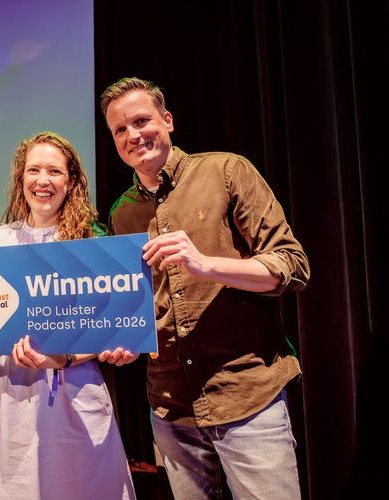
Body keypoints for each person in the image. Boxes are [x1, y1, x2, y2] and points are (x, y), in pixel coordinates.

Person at [100, 77, 310, 499]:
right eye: (120, 130)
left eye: (141, 121)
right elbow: (141, 307)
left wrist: (205, 264)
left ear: (168, 120)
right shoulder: (122, 213)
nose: (133, 135)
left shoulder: (227, 171)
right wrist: (127, 342)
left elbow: (292, 264)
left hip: (247, 398)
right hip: (171, 409)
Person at [0, 131, 136, 500]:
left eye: (54, 171)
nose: (43, 181)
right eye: (34, 170)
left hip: (72, 395)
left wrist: (63, 357)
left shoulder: (92, 243)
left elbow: (110, 328)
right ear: (20, 178)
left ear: (70, 182)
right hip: (8, 396)